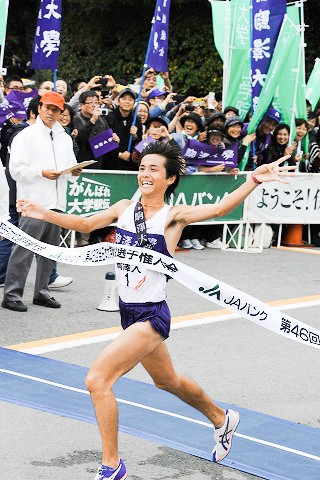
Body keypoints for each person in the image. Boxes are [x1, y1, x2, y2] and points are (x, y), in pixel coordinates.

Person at [15, 140, 296, 479]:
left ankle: (111, 465)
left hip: (151, 315)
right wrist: (41, 212)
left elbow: (220, 209)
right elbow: (86, 225)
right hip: (127, 312)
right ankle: (223, 418)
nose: (145, 174)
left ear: (170, 179)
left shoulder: (173, 216)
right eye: (142, 167)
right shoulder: (123, 208)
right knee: (167, 381)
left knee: (97, 379)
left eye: (154, 169)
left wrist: (254, 179)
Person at [1, 91, 82, 312]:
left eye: (56, 109)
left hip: (56, 203)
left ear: (61, 112)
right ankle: (12, 294)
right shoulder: (25, 136)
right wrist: (41, 172)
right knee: (23, 250)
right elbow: (15, 170)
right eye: (48, 107)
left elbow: (71, 165)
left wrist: (74, 172)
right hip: (33, 202)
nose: (51, 112)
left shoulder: (64, 138)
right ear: (39, 108)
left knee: (50, 251)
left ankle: (42, 292)